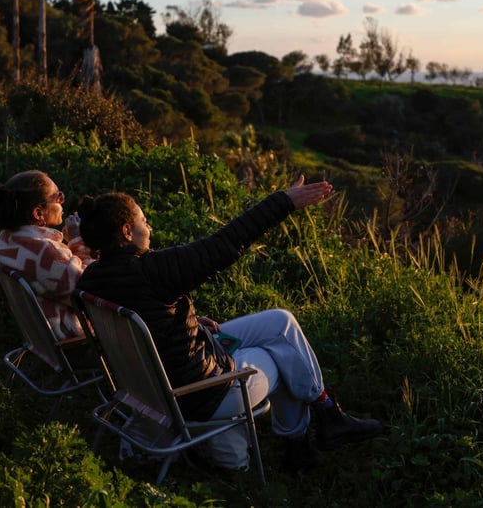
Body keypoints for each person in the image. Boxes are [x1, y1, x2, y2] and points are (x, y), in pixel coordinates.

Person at [75, 176, 381, 471]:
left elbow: (148, 311)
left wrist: (188, 319)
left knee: (280, 322)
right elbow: (224, 243)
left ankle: (325, 414)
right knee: (282, 354)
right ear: (127, 231)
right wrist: (283, 202)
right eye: (143, 221)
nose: (149, 225)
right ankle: (300, 441)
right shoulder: (151, 270)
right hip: (203, 394)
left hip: (160, 380)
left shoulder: (91, 280)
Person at [0, 170, 93, 341]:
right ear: (38, 213)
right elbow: (92, 292)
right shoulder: (44, 254)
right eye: (58, 197)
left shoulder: (4, 241)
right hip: (74, 341)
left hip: (40, 338)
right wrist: (78, 241)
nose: (62, 201)